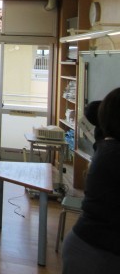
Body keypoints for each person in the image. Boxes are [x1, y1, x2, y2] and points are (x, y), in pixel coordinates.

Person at [62, 87, 120, 273]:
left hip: (91, 249)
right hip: (95, 254)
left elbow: (92, 110)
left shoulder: (106, 145)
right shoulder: (113, 153)